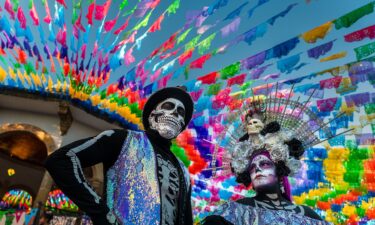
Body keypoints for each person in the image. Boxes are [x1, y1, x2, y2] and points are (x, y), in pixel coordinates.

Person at [45, 86, 194, 225]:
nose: (175, 113)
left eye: (181, 112)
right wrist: (101, 213)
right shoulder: (123, 140)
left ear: (182, 126)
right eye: (168, 106)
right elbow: (61, 160)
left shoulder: (184, 173)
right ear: (153, 114)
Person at [201, 104, 331, 225]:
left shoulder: (307, 215)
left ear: (279, 169)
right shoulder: (234, 211)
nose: (257, 169)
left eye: (264, 164)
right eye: (252, 167)